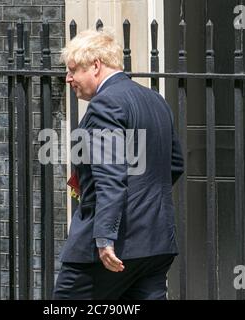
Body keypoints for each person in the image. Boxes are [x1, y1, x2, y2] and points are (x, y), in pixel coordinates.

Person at [53, 28, 184, 300]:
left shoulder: (106, 104)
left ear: (96, 65)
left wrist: (105, 239)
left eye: (73, 70)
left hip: (111, 249)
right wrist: (142, 198)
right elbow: (174, 165)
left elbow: (109, 176)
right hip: (156, 242)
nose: (68, 78)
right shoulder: (156, 101)